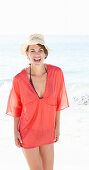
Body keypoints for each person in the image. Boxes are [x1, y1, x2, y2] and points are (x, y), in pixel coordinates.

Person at [5, 33, 69, 170]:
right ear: (27, 54)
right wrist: (15, 131)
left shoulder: (57, 73)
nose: (36, 54)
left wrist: (57, 127)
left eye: (40, 50)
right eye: (32, 51)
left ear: (45, 54)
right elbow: (17, 108)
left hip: (47, 130)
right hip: (28, 131)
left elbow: (58, 102)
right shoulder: (19, 79)